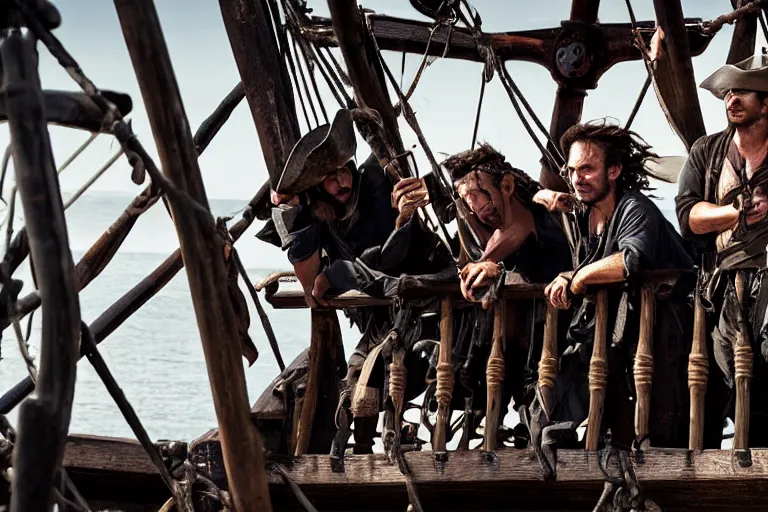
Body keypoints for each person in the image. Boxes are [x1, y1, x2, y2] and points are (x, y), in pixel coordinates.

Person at [267, 108, 454, 453]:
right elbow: (312, 286)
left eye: (342, 171)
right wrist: (289, 211)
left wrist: (421, 196)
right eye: (329, 178)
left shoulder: (376, 177)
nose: (340, 182)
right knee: (354, 385)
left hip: (424, 311)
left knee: (395, 373)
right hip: (380, 321)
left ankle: (391, 442)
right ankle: (364, 453)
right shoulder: (318, 215)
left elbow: (385, 259)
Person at [538, 120, 694, 458]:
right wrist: (570, 274)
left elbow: (629, 260)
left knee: (660, 434)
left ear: (614, 170)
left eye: (588, 169)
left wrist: (577, 277)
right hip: (624, 345)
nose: (578, 178)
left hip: (667, 338)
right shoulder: (586, 216)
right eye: (573, 170)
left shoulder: (634, 208)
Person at [676, 53, 768, 447]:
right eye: (729, 92)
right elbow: (689, 214)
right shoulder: (707, 152)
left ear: (767, 103)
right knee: (720, 370)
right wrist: (733, 213)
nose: (732, 99)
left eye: (743, 92)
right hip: (720, 285)